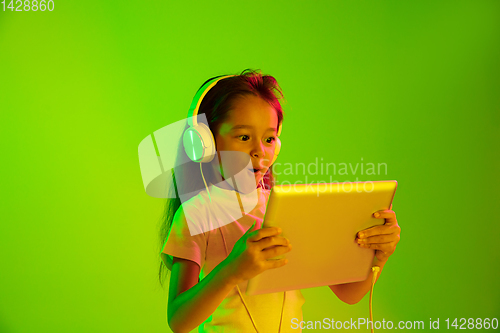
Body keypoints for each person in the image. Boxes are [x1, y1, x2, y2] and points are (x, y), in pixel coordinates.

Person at [157, 69, 401, 333]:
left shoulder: (288, 209)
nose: (259, 151)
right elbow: (179, 320)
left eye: (269, 139)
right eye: (243, 137)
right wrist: (233, 270)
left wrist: (378, 256)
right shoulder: (195, 214)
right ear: (205, 143)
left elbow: (349, 293)